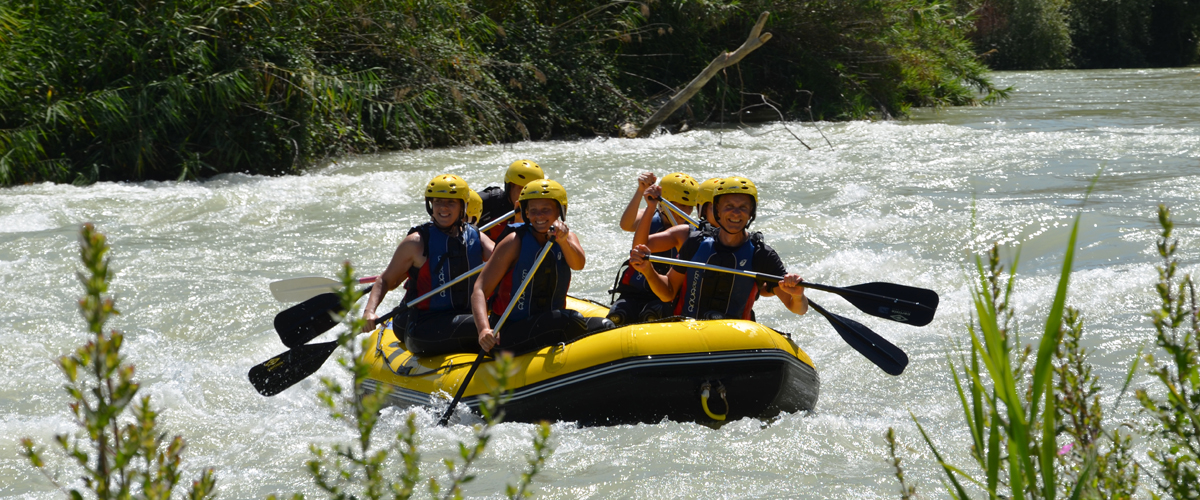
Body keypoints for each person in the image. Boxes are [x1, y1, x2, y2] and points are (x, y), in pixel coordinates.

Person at [628, 176, 808, 321]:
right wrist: (648, 270)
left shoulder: (763, 254)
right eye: (729, 206)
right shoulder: (695, 242)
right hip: (686, 330)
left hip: (734, 336)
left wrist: (798, 295)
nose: (736, 213)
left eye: (743, 207)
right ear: (717, 211)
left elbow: (797, 308)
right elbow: (668, 293)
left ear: (751, 213)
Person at [472, 179, 613, 354]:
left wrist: (563, 241)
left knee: (606, 326)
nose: (539, 216)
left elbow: (578, 264)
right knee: (569, 321)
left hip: (548, 322)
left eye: (546, 210)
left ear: (559, 211)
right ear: (526, 213)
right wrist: (484, 330)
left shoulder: (567, 238)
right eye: (533, 211)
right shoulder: (514, 242)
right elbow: (480, 289)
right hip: (510, 330)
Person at [361, 174, 495, 356]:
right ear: (430, 204)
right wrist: (370, 312)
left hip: (462, 317)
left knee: (498, 321)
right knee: (493, 326)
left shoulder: (474, 236)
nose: (443, 208)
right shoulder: (416, 243)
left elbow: (504, 258)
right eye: (438, 201)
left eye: (451, 203)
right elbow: (386, 280)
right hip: (425, 327)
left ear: (462, 206)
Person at [607, 172, 700, 324]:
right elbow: (626, 224)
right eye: (679, 205)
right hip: (634, 291)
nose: (684, 212)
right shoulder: (648, 215)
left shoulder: (689, 233)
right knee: (618, 316)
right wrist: (641, 192)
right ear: (664, 202)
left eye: (688, 207)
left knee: (652, 315)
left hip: (663, 294)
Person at [477, 159, 544, 242]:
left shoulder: (541, 214)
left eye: (532, 191)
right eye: (521, 189)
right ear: (510, 187)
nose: (526, 196)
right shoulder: (488, 201)